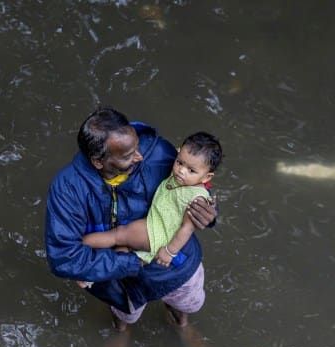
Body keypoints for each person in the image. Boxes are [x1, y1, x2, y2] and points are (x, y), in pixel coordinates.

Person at [44, 107, 217, 333]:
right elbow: (63, 257)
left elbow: (196, 187)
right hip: (118, 279)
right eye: (128, 156)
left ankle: (182, 325)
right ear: (98, 162)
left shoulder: (158, 152)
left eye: (137, 146)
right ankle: (121, 332)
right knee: (124, 314)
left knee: (185, 303)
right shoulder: (68, 188)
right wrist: (133, 263)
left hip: (175, 265)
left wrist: (209, 214)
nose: (139, 156)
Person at [82, 132, 222, 270]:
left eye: (191, 170)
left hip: (156, 232)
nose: (181, 171)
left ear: (206, 177)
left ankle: (77, 245)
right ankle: (90, 274)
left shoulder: (197, 198)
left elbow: (187, 228)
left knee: (118, 235)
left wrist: (169, 252)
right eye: (179, 162)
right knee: (123, 249)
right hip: (154, 225)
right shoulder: (181, 175)